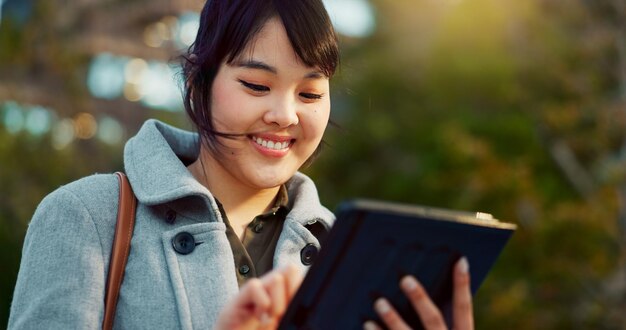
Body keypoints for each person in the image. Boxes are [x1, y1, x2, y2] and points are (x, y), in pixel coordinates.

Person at [8, 0, 474, 329]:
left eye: (310, 93)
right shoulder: (86, 218)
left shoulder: (350, 253)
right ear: (198, 83)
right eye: (256, 85)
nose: (286, 115)